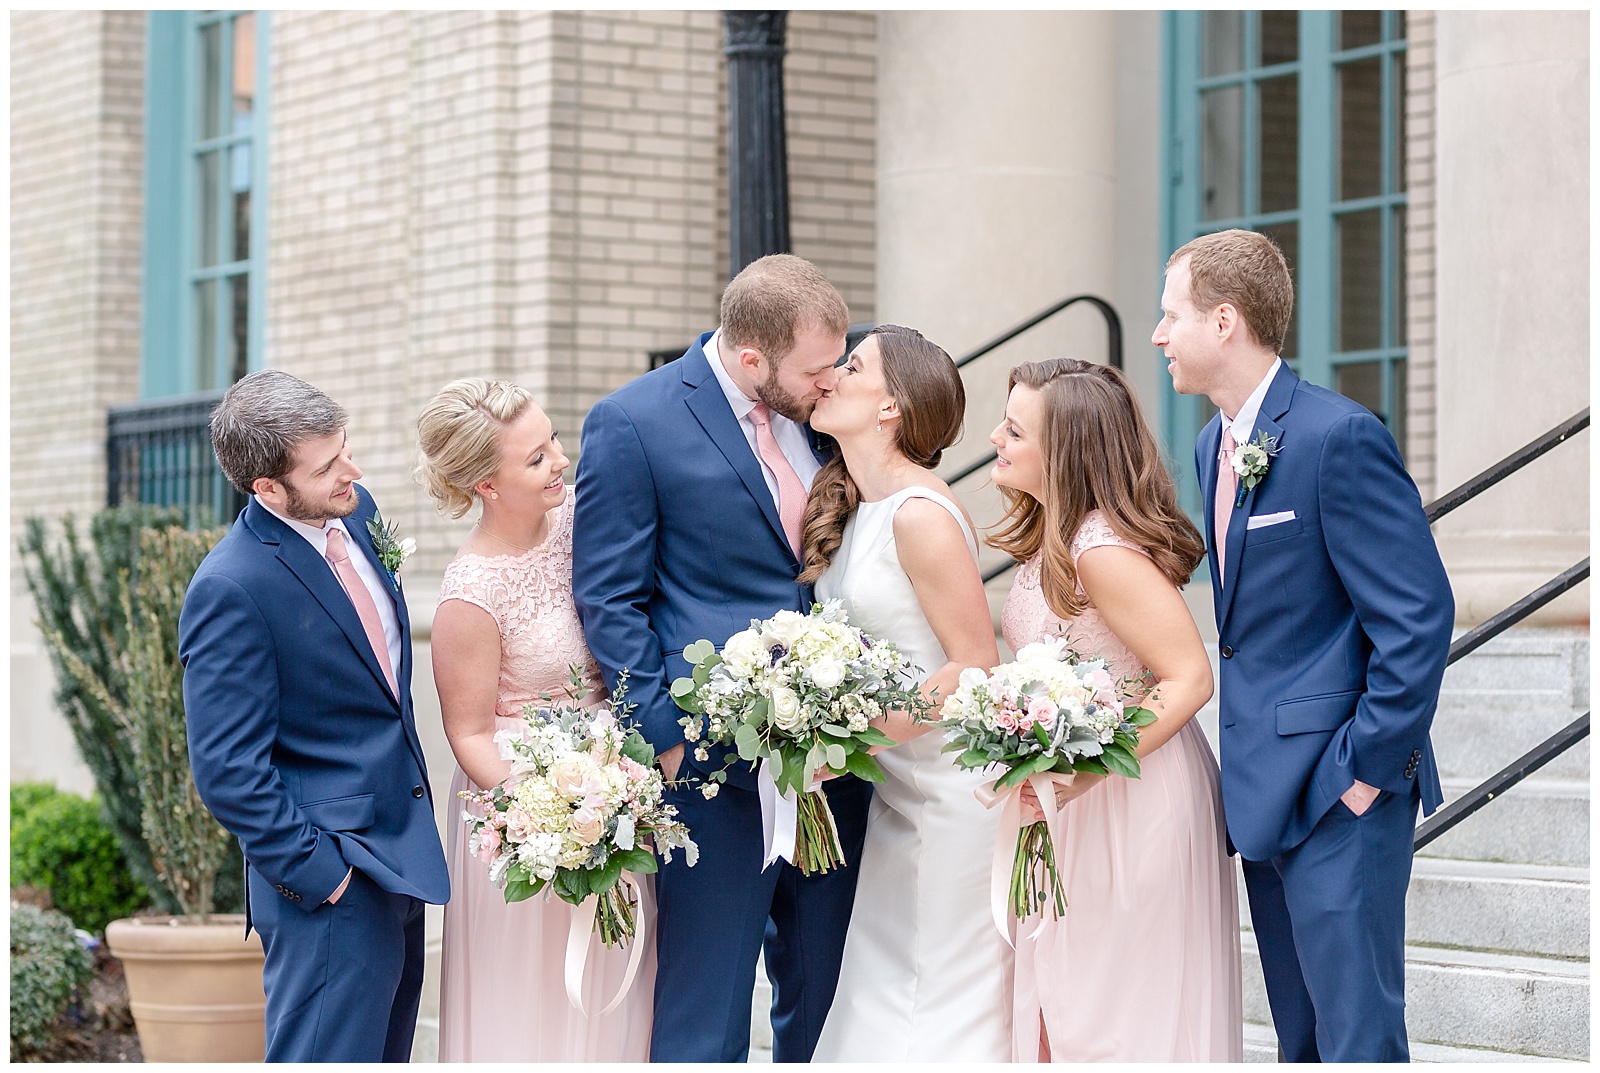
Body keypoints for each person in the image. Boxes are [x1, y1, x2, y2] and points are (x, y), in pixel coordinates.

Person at [1156, 228, 1454, 1062]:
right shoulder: (1214, 444)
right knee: (1300, 1040)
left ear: (1223, 322)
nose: (1157, 334)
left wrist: (1365, 771)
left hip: (1338, 797)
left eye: (1169, 314)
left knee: (1357, 1038)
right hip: (1261, 795)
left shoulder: (1338, 436)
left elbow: (1419, 614)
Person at [571, 253, 872, 1063]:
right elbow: (611, 600)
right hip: (712, 773)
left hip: (838, 764)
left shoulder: (822, 413)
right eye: (816, 370)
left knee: (827, 997)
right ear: (751, 359)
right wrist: (666, 739)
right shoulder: (632, 423)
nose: (830, 384)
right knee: (705, 1011)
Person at [180, 370, 449, 1062]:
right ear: (267, 488)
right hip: (329, 887)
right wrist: (324, 875)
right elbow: (228, 770)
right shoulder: (230, 587)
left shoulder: (357, 513)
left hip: (401, 857)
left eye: (346, 447)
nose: (351, 471)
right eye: (328, 465)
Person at [988, 357, 1242, 1062]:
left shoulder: (1101, 551)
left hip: (1131, 797)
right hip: (1074, 793)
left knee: (1112, 1014)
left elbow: (1189, 676)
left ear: (1064, 450)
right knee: (1059, 1002)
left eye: (1014, 429)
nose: (994, 438)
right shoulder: (1054, 538)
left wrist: (1086, 772)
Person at [418, 378, 654, 1061]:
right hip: (526, 818)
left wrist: (610, 799)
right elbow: (467, 734)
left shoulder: (586, 517)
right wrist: (548, 818)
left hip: (615, 793)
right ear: (486, 484)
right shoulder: (471, 592)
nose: (559, 461)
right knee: (535, 1004)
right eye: (535, 458)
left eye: (554, 440)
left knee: (618, 987)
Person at [804, 325, 1011, 1062]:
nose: (830, 375)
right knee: (888, 981)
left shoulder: (921, 515)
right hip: (902, 790)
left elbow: (974, 664)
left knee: (936, 990)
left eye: (850, 366)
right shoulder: (862, 504)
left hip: (954, 794)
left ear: (890, 406)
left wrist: (853, 739)